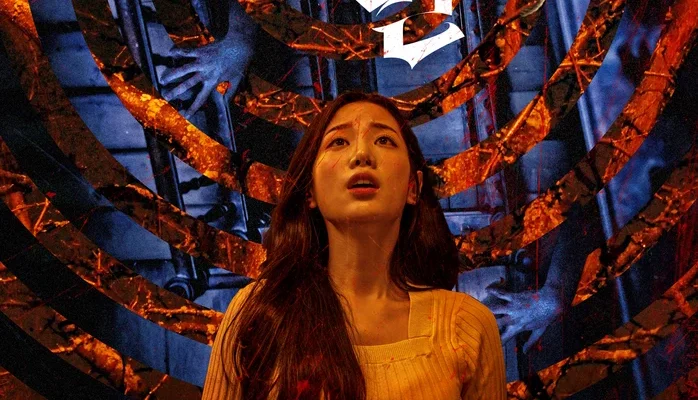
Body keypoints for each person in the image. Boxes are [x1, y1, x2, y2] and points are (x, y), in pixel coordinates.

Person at [202, 92, 506, 399]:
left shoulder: (466, 327)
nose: (362, 154)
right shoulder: (258, 312)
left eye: (384, 140)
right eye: (338, 142)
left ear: (412, 188)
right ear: (310, 191)